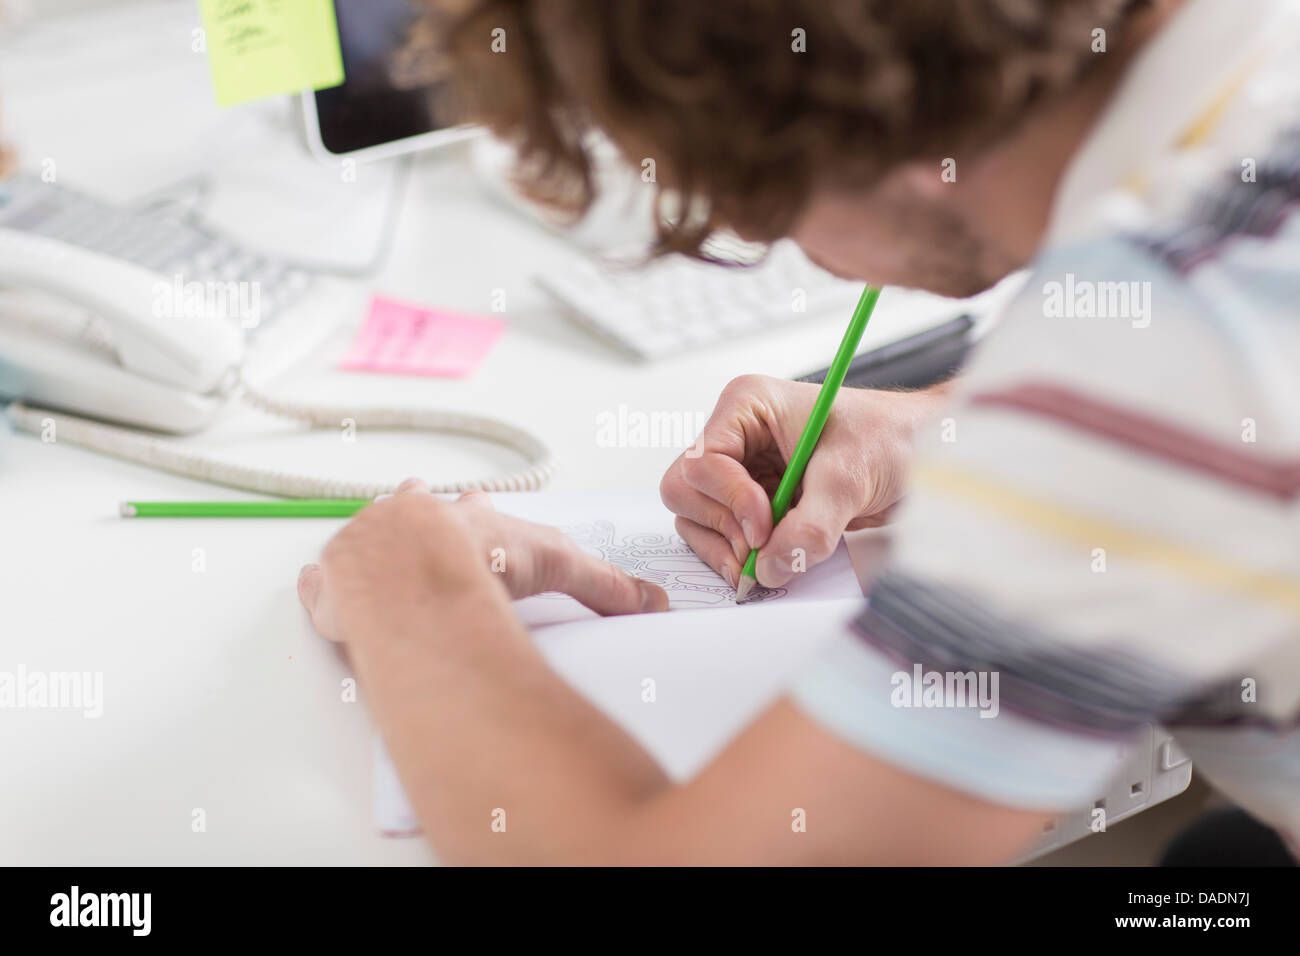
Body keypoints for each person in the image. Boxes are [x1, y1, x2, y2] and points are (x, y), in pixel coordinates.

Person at [296, 0, 1300, 863]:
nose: (786, 246)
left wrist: (415, 591)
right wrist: (930, 431)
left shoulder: (1167, 350)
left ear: (874, 138)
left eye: (743, 199)